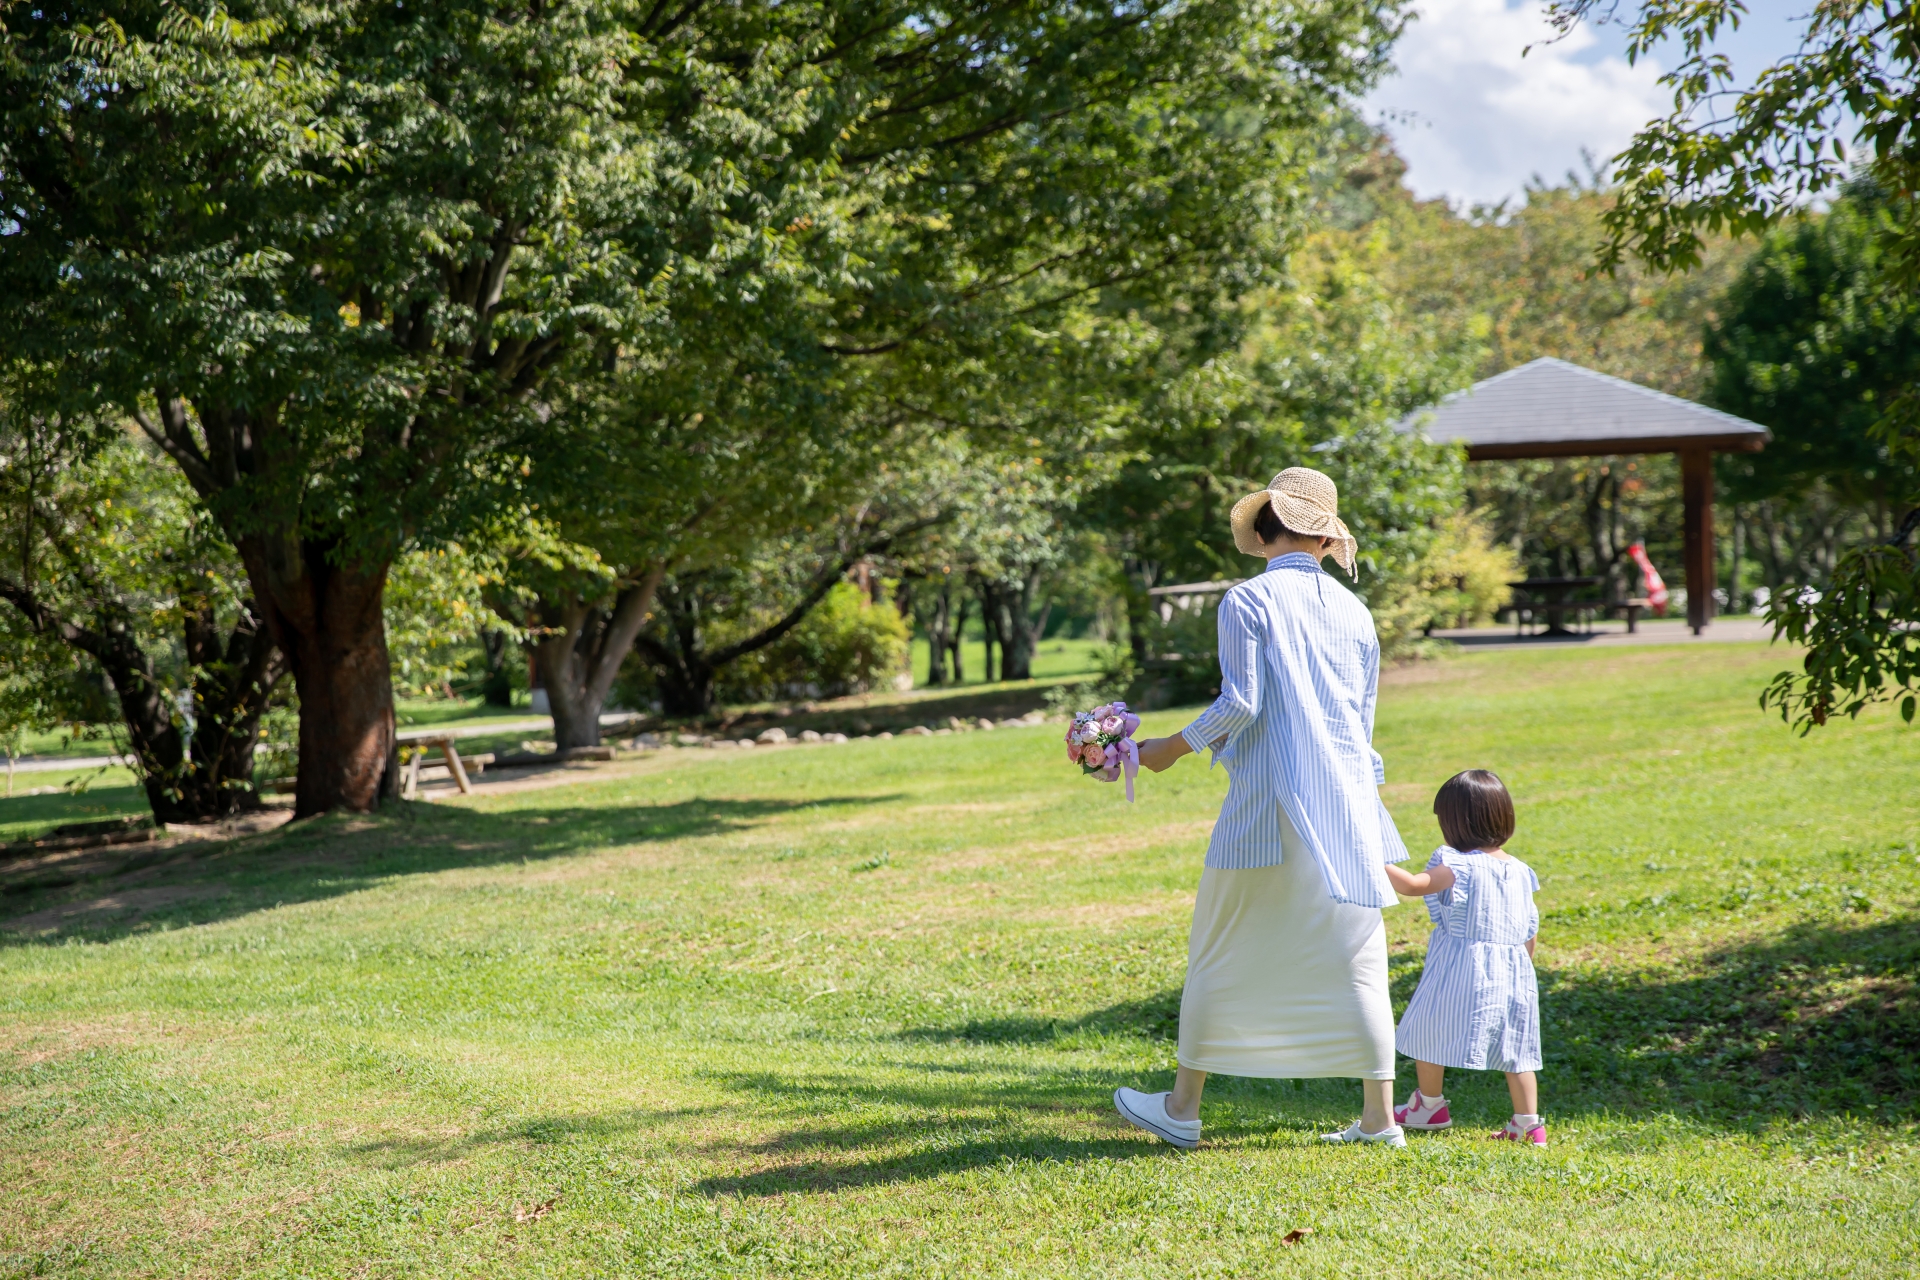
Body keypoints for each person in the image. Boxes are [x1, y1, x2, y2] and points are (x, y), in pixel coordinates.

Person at [1111, 466, 1412, 1151]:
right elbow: (1360, 727)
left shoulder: (1248, 601)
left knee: (1220, 947)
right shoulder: (1356, 612)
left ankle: (1182, 1110)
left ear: (1266, 528)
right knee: (1359, 959)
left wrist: (1166, 749)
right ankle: (1379, 1120)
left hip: (1268, 808)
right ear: (1323, 537)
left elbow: (1241, 704)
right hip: (1346, 810)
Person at [1385, 769, 1547, 1146]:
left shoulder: (1460, 865)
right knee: (1517, 1049)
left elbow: (1412, 885)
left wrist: (1366, 858)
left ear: (1456, 821)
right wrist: (1522, 968)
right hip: (1515, 971)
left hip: (1461, 966)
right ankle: (1528, 1125)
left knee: (1430, 1028)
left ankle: (1429, 1106)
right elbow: (1530, 929)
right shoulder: (1522, 871)